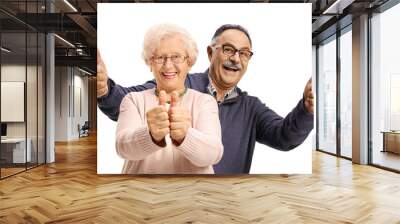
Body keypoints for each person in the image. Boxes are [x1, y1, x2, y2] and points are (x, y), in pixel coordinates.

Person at [98, 24, 314, 174]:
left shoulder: (251, 108)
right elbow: (125, 102)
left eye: (244, 53)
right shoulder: (176, 81)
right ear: (210, 54)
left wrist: (307, 107)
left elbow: (285, 137)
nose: (236, 59)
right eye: (228, 50)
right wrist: (103, 88)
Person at [114, 24, 223, 174]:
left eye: (176, 57)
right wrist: (150, 135)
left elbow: (213, 154)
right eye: (160, 57)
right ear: (150, 62)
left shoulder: (205, 102)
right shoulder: (133, 100)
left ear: (189, 62)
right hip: (143, 194)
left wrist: (186, 135)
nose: (168, 65)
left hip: (195, 194)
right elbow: (122, 147)